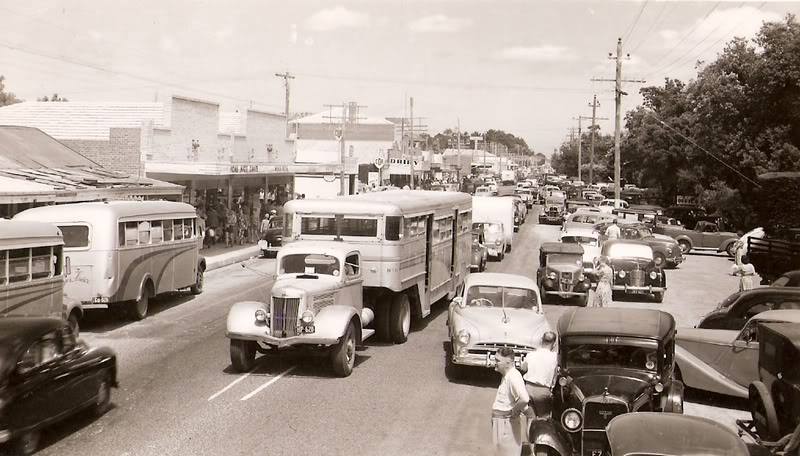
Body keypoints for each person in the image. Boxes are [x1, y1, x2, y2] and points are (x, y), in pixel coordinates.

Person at [491, 347, 532, 456]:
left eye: (498, 361)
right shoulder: (508, 375)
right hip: (502, 423)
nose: (495, 363)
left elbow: (524, 398)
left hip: (506, 425)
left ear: (508, 363)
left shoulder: (513, 377)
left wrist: (514, 411)